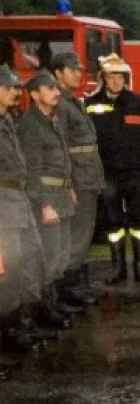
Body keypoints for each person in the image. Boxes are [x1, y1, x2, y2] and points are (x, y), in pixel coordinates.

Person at [0, 65, 57, 368]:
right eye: (9, 88)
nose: (15, 92)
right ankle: (6, 333)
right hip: (2, 207)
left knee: (28, 260)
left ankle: (19, 325)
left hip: (17, 201)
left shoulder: (8, 120)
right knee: (5, 272)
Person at [85, 54, 140, 284]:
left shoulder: (136, 101)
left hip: (135, 172)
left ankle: (139, 265)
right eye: (111, 76)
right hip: (108, 174)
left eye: (120, 77)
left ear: (125, 78)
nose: (116, 81)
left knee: (138, 221)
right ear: (103, 78)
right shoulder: (90, 104)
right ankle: (118, 267)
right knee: (113, 222)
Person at [18, 70, 81, 322]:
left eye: (56, 88)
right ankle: (42, 310)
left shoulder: (51, 120)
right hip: (47, 199)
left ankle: (53, 302)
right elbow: (31, 170)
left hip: (61, 196)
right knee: (48, 255)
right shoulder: (30, 125)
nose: (56, 93)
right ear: (34, 95)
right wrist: (44, 204)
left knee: (61, 253)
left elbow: (60, 161)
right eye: (49, 89)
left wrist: (69, 188)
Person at [51, 52, 104, 307]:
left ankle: (78, 283)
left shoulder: (73, 101)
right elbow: (59, 147)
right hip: (78, 179)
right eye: (71, 70)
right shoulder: (60, 104)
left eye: (78, 69)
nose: (77, 73)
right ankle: (68, 287)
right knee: (77, 234)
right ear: (58, 74)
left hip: (88, 175)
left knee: (84, 232)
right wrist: (68, 183)